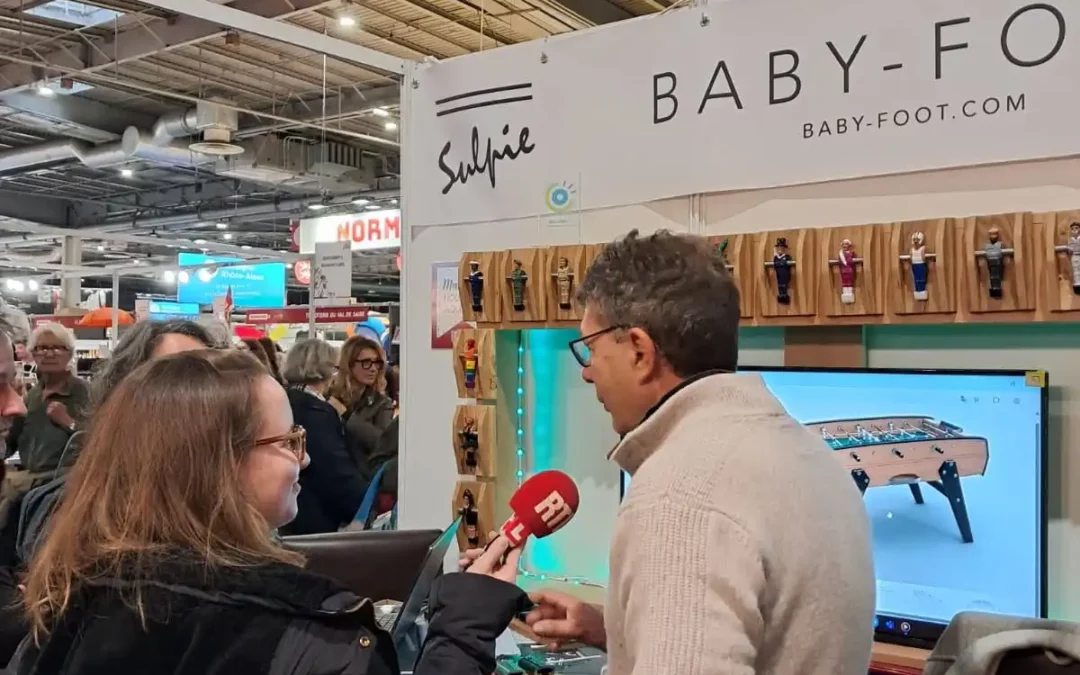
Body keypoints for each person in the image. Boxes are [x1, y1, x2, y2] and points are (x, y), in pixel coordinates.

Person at [9, 350, 528, 675]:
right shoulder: (298, 636)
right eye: (287, 441)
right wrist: (466, 623)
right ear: (218, 463)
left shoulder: (70, 600)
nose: (304, 458)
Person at [523, 230, 875, 675]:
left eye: (590, 349)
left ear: (639, 352)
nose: (588, 373)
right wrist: (618, 630)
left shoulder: (679, 496)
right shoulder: (809, 453)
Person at [16, 320, 215, 566]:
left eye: (207, 376)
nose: (197, 393)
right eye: (172, 378)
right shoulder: (65, 511)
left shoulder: (231, 493)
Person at [281, 339, 369, 535]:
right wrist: (364, 504)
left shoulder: (285, 402)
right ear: (324, 369)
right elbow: (334, 469)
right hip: (317, 518)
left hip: (293, 512)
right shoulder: (316, 412)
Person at [329, 336, 395, 472]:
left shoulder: (382, 403)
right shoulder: (329, 395)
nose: (373, 369)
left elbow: (382, 443)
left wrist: (347, 415)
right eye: (366, 362)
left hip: (362, 474)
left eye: (377, 363)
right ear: (349, 364)